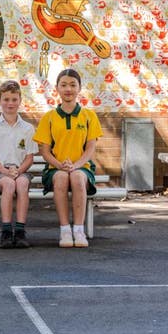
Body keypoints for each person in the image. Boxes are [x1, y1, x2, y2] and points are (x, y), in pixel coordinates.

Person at [34, 69, 102, 248]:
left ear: (79, 88)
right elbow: (45, 151)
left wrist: (76, 165)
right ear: (57, 88)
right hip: (56, 168)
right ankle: (65, 230)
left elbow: (90, 149)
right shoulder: (49, 118)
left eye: (73, 85)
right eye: (63, 85)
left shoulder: (89, 116)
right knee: (62, 178)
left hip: (81, 167)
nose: (68, 89)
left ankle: (79, 230)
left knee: (78, 177)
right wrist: (60, 165)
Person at [0, 80, 38, 249]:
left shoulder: (27, 128)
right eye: (6, 99)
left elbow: (29, 158)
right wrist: (5, 172)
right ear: (0, 101)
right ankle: (6, 232)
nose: (10, 103)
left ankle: (20, 232)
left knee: (21, 183)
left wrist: (18, 171)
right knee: (8, 184)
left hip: (20, 170)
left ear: (20, 100)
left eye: (14, 99)